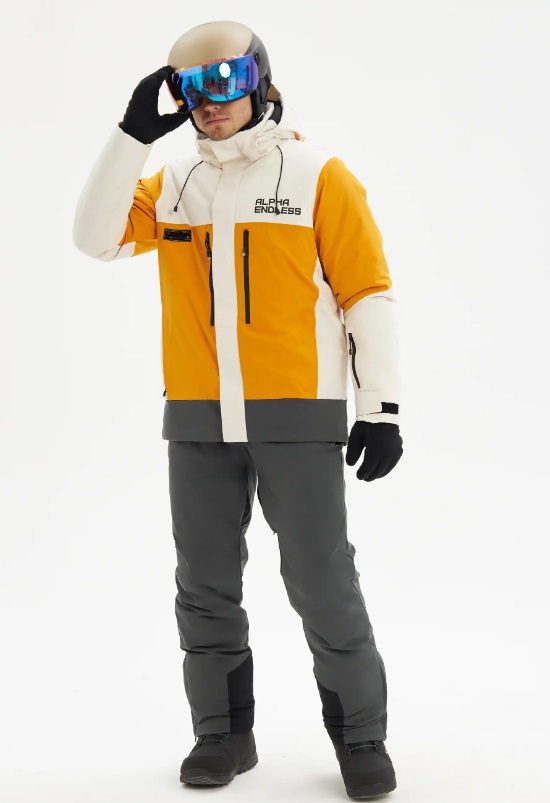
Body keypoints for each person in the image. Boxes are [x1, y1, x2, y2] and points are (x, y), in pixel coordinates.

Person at [72, 19, 403, 800]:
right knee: (205, 584)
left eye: (225, 81)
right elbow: (93, 238)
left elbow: (367, 293)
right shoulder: (173, 184)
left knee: (321, 579)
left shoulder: (318, 175)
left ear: (259, 80)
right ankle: (222, 735)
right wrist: (132, 135)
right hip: (196, 416)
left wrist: (381, 407)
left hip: (297, 413)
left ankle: (361, 736)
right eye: (191, 88)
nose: (209, 101)